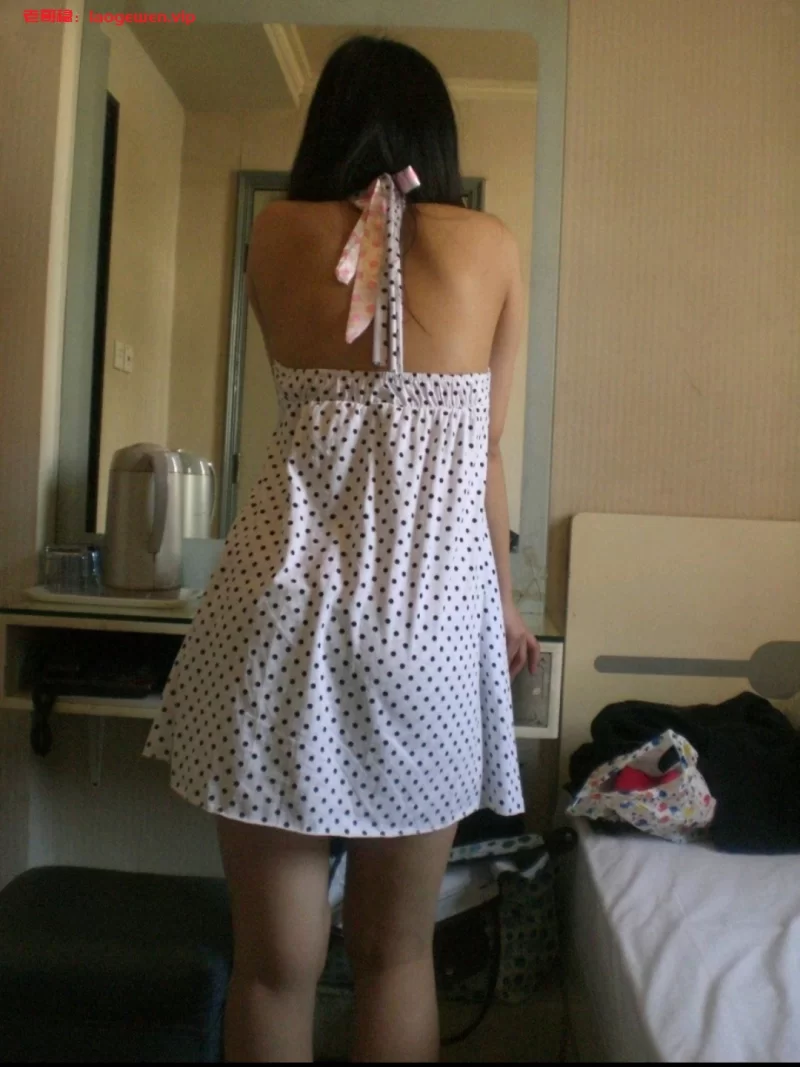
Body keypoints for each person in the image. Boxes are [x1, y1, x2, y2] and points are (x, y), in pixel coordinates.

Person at [143, 34, 540, 1064]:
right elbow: (486, 453)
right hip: (427, 628)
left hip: (278, 618)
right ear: (432, 138)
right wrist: (502, 603)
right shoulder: (491, 245)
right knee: (397, 957)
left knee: (272, 965)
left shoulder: (274, 232)